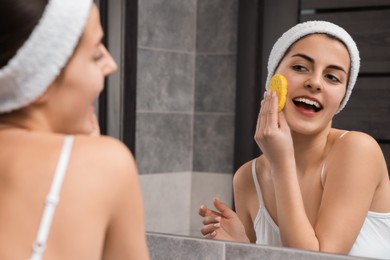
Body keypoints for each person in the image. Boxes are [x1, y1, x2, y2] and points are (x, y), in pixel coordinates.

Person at [199, 21, 390, 259]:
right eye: (300, 67)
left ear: (341, 98)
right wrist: (242, 248)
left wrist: (281, 163)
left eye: (332, 77)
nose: (315, 82)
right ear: (273, 80)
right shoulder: (248, 179)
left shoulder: (357, 150)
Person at [0, 0, 149, 259]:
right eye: (95, 54)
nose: (111, 65)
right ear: (40, 79)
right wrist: (87, 153)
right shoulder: (105, 164)